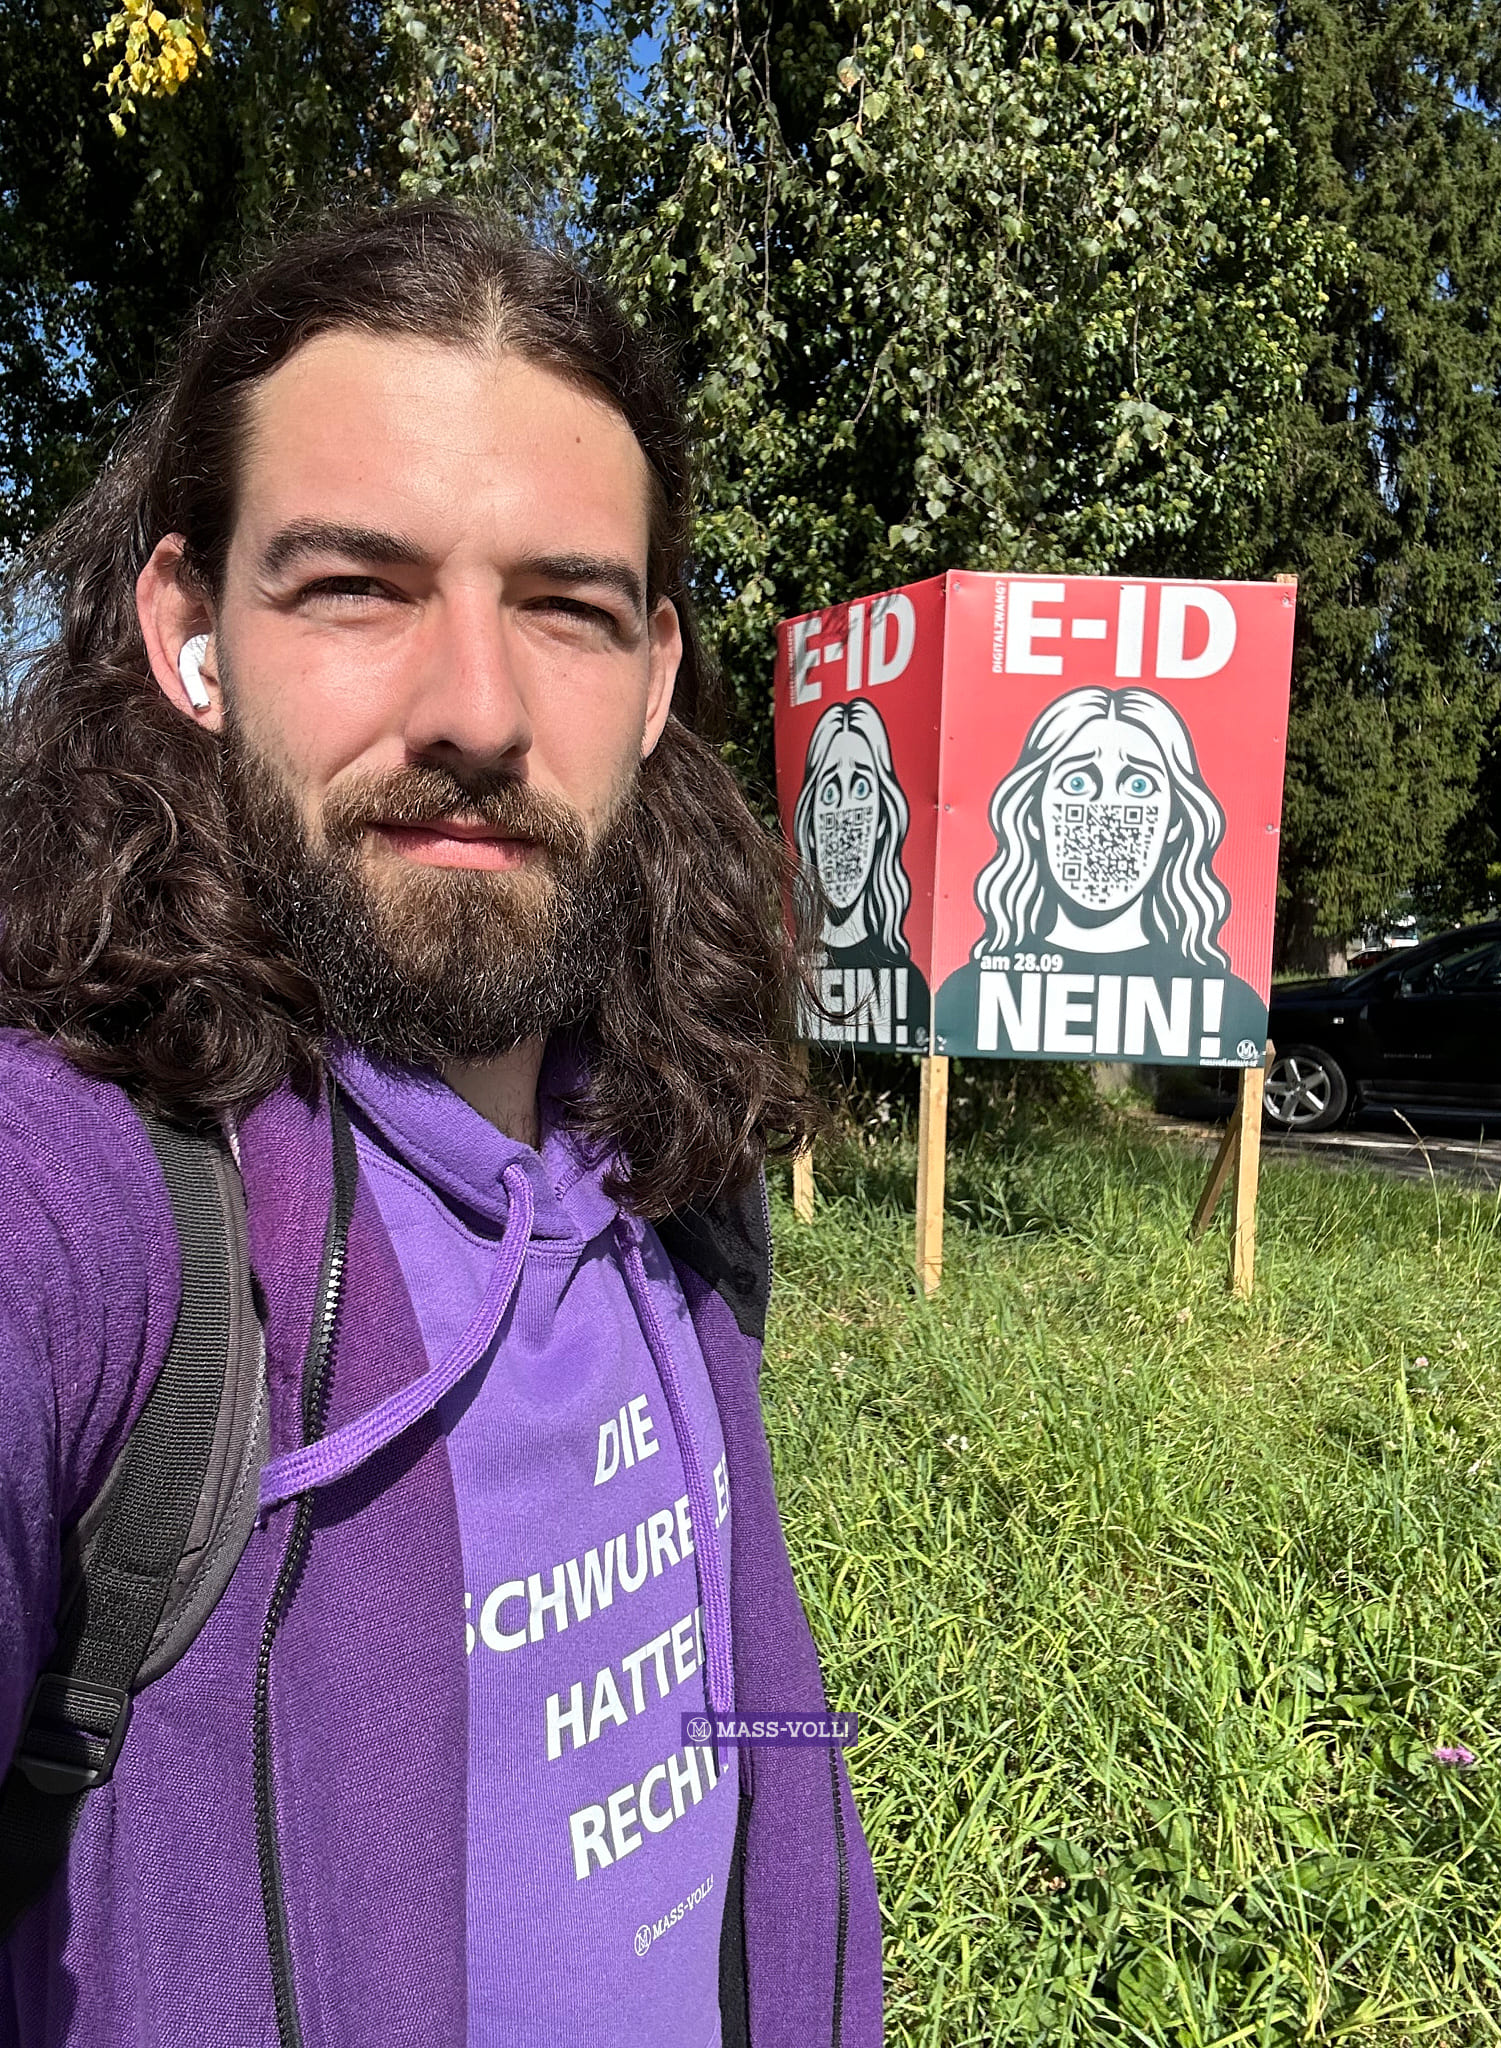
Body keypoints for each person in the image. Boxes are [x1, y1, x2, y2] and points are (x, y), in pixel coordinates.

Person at [0, 204, 882, 2048]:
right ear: (191, 636)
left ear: (654, 678)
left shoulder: (672, 1140)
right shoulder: (85, 1196)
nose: (477, 710)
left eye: (565, 607)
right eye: (355, 586)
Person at [934, 686, 1268, 1063]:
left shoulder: (1229, 1005)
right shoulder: (966, 994)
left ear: (1175, 822)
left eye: (1138, 785)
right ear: (1033, 815)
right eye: (1077, 783)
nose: (1105, 813)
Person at [792, 700, 929, 1050]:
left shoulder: (907, 980)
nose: (845, 813)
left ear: (882, 819)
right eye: (830, 792)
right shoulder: (789, 973)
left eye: (862, 789)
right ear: (810, 825)